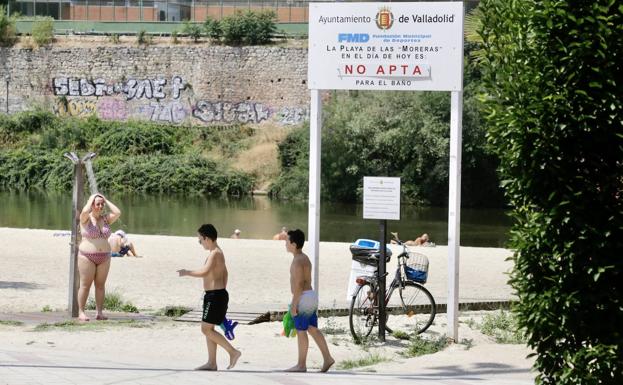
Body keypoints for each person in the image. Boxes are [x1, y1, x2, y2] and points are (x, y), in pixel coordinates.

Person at [177, 224, 241, 371]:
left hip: (215, 297)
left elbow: (204, 272)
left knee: (205, 329)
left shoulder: (215, 253)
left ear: (207, 238)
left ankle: (233, 352)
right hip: (215, 295)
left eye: (200, 240)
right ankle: (212, 363)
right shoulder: (218, 253)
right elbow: (225, 274)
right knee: (209, 328)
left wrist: (186, 272)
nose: (200, 243)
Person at [284, 229, 334, 373]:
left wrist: (294, 304)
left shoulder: (298, 261)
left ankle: (301, 365)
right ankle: (327, 358)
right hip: (311, 295)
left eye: (287, 241)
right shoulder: (304, 258)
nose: (285, 244)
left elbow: (299, 284)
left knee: (301, 331)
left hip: (303, 297)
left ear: (293, 244)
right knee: (312, 328)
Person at [78, 193, 121, 321]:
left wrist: (105, 200)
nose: (100, 206)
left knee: (100, 285)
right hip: (87, 256)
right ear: (92, 205)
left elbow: (118, 212)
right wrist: (92, 198)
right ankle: (81, 312)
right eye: (98, 204)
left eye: (102, 204)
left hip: (105, 257)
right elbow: (85, 210)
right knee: (85, 285)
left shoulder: (106, 219)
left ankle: (99, 312)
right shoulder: (85, 218)